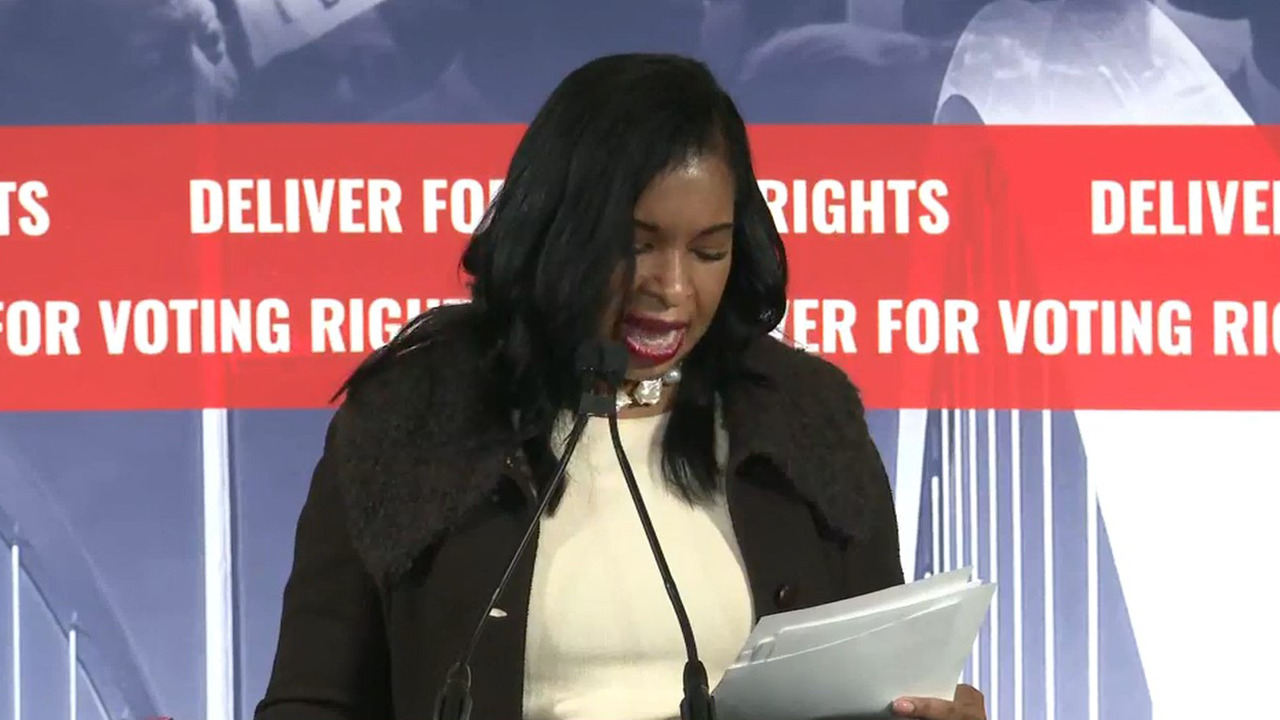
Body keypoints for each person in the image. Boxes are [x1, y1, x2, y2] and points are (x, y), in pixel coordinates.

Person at [255, 53, 987, 720]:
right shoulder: (413, 419)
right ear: (557, 229)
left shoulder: (805, 417)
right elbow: (313, 701)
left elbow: (881, 689)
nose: (672, 288)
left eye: (709, 250)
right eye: (636, 245)